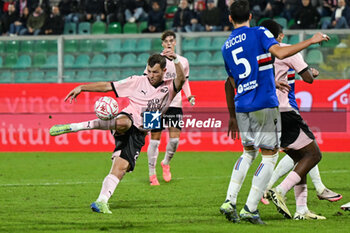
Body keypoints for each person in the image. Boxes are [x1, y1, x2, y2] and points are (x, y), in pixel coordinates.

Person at [219, 0, 329, 224]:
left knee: (248, 153)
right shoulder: (259, 32)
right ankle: (250, 208)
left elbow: (232, 81)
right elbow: (279, 52)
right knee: (269, 157)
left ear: (230, 19)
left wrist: (233, 114)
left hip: (242, 105)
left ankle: (230, 201)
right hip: (264, 105)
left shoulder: (226, 46)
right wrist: (310, 40)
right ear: (250, 16)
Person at [49, 53, 186, 214]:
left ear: (164, 71)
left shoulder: (169, 87)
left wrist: (176, 60)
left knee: (121, 168)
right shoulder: (137, 81)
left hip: (140, 133)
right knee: (123, 122)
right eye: (149, 71)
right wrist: (82, 87)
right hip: (128, 118)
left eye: (155, 72)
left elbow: (182, 79)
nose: (151, 75)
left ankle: (101, 201)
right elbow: (108, 86)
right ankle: (74, 127)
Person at [259, 19, 342, 220]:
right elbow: (308, 78)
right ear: (278, 36)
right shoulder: (287, 49)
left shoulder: (258, 52)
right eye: (280, 34)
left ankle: (301, 210)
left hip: (265, 111)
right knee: (314, 155)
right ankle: (279, 189)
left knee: (300, 158)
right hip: (285, 110)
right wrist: (309, 72)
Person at [145, 30, 195, 185]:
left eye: (171, 41)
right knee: (154, 140)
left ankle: (165, 163)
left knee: (174, 140)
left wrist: (189, 95)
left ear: (175, 43)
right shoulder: (155, 61)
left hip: (175, 103)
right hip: (155, 105)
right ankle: (152, 174)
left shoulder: (182, 61)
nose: (168, 43)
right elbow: (146, 80)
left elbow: (184, 80)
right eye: (166, 41)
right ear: (162, 43)